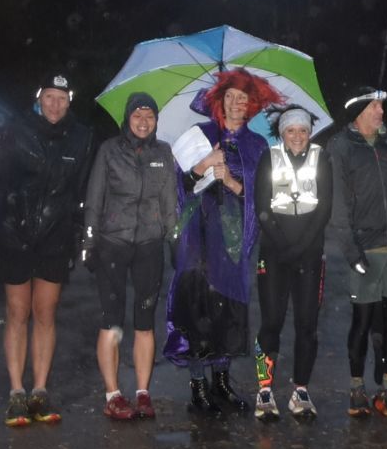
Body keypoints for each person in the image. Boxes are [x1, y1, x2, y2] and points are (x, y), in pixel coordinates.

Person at [163, 68, 280, 416]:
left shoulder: (257, 146)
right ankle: (198, 386)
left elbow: (262, 196)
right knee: (197, 308)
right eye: (229, 97)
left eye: (241, 99)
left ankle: (222, 382)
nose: (234, 104)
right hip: (197, 237)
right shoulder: (198, 134)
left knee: (226, 311)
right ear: (219, 100)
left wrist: (229, 180)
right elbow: (178, 186)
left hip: (231, 241)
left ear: (250, 106)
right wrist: (202, 165)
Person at [0, 72, 94, 426]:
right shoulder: (17, 130)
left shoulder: (81, 138)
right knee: (18, 311)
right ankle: (16, 392)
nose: (55, 104)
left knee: (45, 313)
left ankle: (40, 390)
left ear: (69, 101)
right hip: (15, 233)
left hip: (55, 236)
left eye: (62, 98)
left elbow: (79, 192)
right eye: (49, 97)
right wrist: (3, 223)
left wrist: (78, 233)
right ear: (39, 98)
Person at [327, 88, 387, 419]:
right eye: (375, 106)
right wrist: (351, 250)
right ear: (359, 111)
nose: (381, 111)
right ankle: (357, 388)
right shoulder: (341, 147)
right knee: (363, 320)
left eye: (382, 105)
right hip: (365, 249)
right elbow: (338, 205)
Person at [82, 92, 177, 421]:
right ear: (127, 118)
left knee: (144, 321)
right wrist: (89, 241)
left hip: (149, 244)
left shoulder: (163, 152)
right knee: (111, 320)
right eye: (137, 114)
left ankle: (142, 392)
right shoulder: (110, 150)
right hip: (113, 242)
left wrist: (174, 240)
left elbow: (169, 203)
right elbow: (94, 198)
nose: (143, 121)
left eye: (149, 115)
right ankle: (112, 394)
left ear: (155, 121)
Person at [251, 106, 333, 421]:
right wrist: (284, 247)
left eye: (302, 130)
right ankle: (264, 388)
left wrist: (301, 247)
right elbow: (262, 205)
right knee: (271, 322)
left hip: (310, 253)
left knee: (307, 325)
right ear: (282, 134)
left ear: (309, 132)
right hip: (274, 253)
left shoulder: (320, 157)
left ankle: (300, 390)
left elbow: (325, 207)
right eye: (290, 131)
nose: (297, 136)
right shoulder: (268, 158)